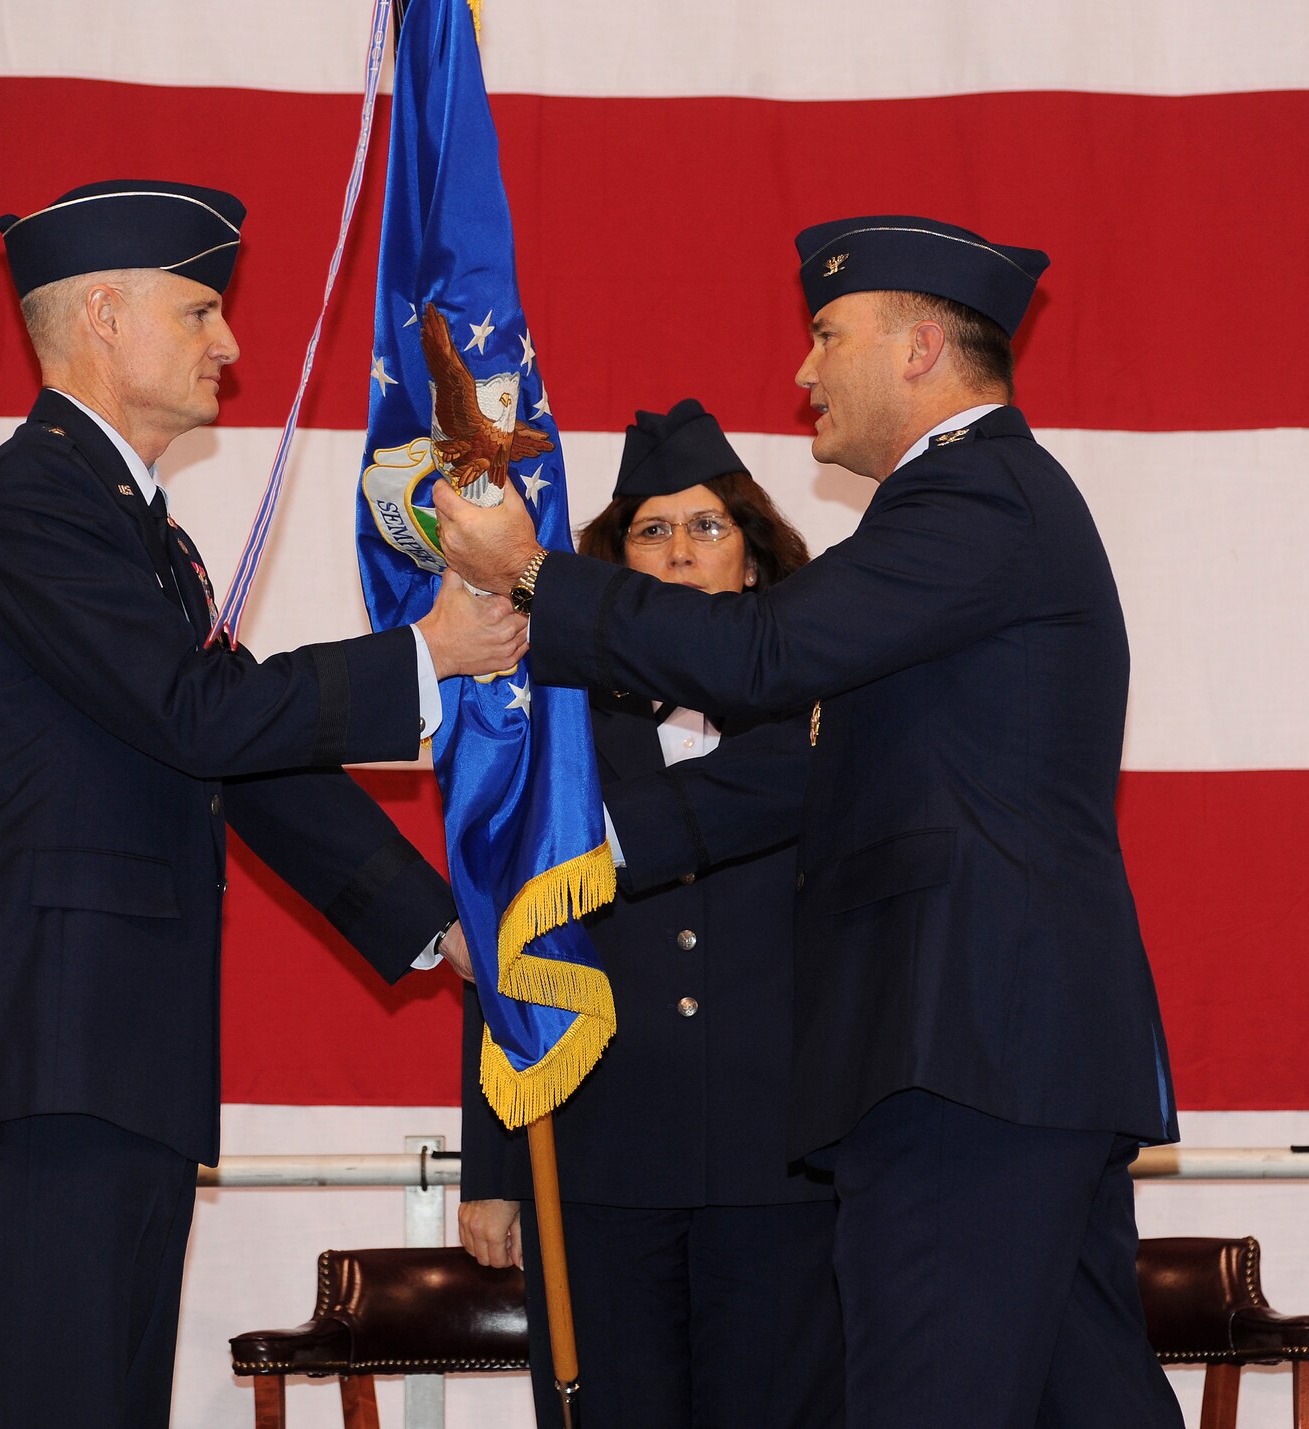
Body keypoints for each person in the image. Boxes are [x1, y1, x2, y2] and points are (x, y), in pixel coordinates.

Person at [434, 216, 1183, 1427]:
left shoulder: (973, 495)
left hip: (960, 1051)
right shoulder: (970, 508)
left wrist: (531, 574)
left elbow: (763, 652)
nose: (801, 373)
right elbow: (795, 762)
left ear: (919, 350)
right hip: (1003, 1054)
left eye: (826, 336)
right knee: (1082, 1396)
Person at [0, 178, 526, 1428]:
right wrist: (429, 653)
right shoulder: (34, 500)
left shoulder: (139, 532)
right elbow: (199, 717)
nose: (231, 344)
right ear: (101, 313)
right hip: (56, 1054)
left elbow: (239, 766)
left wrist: (438, 924)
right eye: (200, 311)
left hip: (113, 1056)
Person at [457, 400, 841, 1427]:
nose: (680, 552)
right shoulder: (555, 722)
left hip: (783, 1162)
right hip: (597, 1156)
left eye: (707, 526)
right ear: (614, 562)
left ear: (752, 560)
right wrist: (493, 1168)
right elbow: (504, 937)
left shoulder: (823, 712)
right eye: (651, 530)